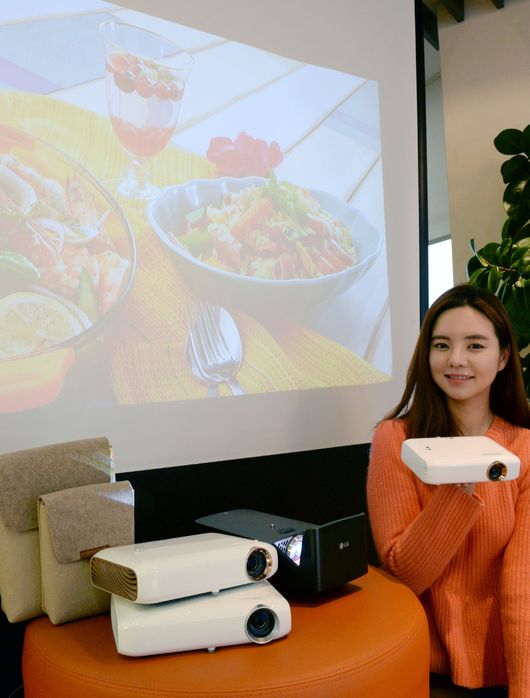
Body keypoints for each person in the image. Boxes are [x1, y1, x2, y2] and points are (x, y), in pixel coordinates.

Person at [367, 284, 530, 698]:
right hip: (419, 667)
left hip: (505, 669)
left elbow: (522, 583)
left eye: (475, 345)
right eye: (441, 345)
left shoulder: (524, 449)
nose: (456, 359)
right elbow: (404, 574)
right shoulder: (395, 440)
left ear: (503, 357)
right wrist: (459, 488)